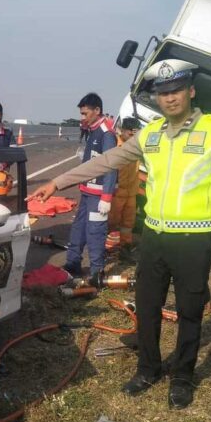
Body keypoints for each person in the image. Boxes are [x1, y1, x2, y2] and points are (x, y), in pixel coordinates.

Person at [27, 59, 211, 409]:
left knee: (190, 312)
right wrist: (57, 182)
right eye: (163, 93)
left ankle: (183, 378)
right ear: (157, 99)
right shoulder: (152, 133)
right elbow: (106, 161)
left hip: (195, 240)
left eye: (176, 91)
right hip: (155, 239)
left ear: (190, 91)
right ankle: (148, 369)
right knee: (147, 307)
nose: (170, 99)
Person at [62, 93, 117, 282]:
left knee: (95, 232)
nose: (82, 117)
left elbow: (111, 164)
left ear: (97, 111)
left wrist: (106, 197)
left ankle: (96, 272)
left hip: (98, 195)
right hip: (86, 192)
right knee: (78, 229)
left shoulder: (106, 133)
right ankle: (73, 264)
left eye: (85, 114)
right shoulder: (92, 129)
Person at [106, 117, 142, 257]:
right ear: (123, 131)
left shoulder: (137, 147)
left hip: (131, 193)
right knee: (111, 221)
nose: (132, 137)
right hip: (117, 193)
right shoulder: (114, 145)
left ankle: (125, 247)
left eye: (135, 133)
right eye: (130, 133)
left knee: (128, 223)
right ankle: (104, 248)